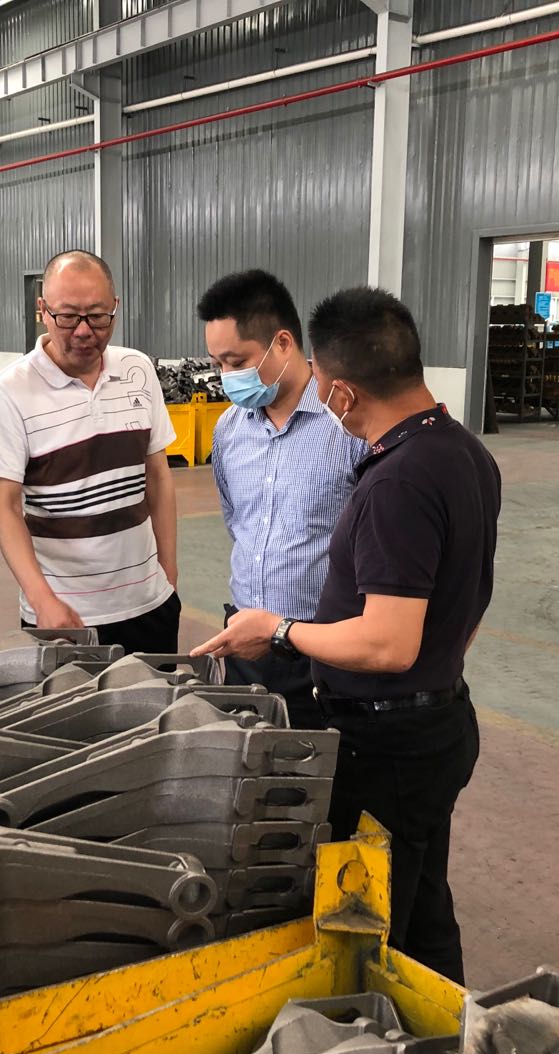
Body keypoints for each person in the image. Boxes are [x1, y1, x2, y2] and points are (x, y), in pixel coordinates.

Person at [192, 286, 501, 984]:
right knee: (423, 903)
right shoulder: (463, 451)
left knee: (375, 920)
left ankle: (386, 1025)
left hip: (387, 744)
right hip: (435, 718)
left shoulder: (395, 482)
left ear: (340, 392)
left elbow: (388, 644)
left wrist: (282, 629)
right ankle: (443, 1022)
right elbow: (469, 597)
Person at [0, 250, 180, 653]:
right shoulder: (10, 392)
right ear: (42, 310)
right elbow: (4, 509)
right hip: (65, 616)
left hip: (149, 605)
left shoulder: (137, 370)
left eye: (98, 316)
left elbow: (157, 476)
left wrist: (168, 575)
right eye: (67, 317)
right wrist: (42, 602)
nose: (84, 331)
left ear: (115, 307)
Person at [198, 269, 363, 728]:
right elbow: (239, 523)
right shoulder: (229, 430)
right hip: (244, 640)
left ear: (283, 343)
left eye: (236, 361)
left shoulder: (347, 425)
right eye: (217, 364)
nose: (227, 377)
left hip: (320, 646)